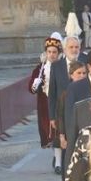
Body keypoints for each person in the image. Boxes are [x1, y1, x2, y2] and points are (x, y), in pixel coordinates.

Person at [31, 38, 63, 172]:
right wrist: (35, 85)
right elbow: (31, 89)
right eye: (49, 52)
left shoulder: (63, 67)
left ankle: (58, 163)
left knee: (58, 132)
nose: (51, 55)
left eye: (54, 52)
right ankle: (57, 157)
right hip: (45, 106)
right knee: (49, 133)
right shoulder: (40, 68)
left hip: (59, 105)